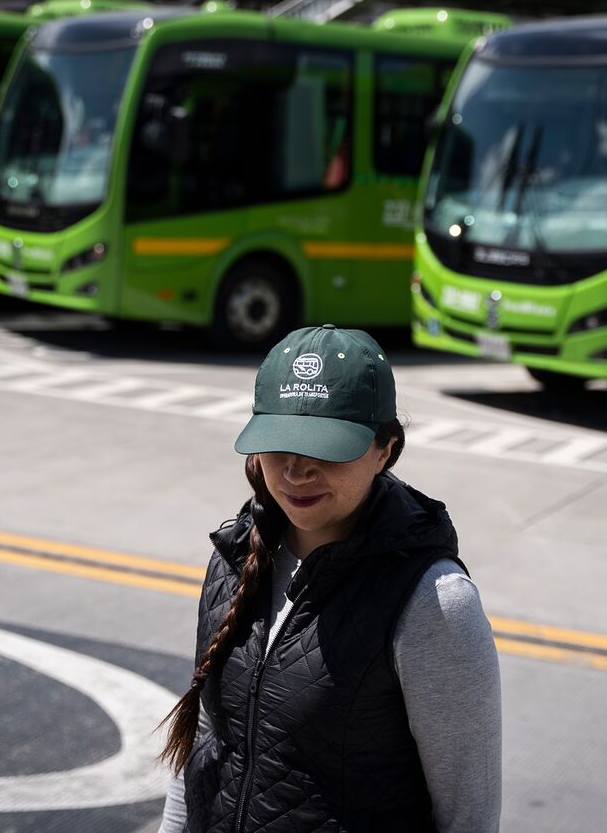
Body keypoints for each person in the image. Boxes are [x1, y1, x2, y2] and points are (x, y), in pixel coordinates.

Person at [156, 324, 502, 833]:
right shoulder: (234, 556)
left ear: (385, 449)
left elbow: (468, 816)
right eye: (279, 444)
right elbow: (208, 739)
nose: (297, 472)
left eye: (327, 449)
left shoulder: (435, 603)